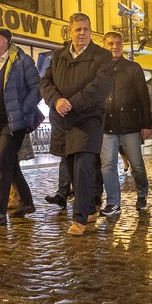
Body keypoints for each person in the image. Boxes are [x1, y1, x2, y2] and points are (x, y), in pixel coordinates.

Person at [39, 12, 112, 236]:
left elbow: (100, 86)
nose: (82, 33)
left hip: (88, 120)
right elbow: (45, 82)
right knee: (71, 168)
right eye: (78, 29)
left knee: (83, 168)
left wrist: (73, 103)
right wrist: (56, 100)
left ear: (91, 31)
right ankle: (89, 207)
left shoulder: (101, 56)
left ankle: (79, 219)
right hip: (62, 120)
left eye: (86, 29)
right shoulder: (58, 55)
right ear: (69, 31)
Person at [0, 28, 42, 227]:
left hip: (13, 124)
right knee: (11, 166)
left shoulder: (22, 61)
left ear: (3, 41)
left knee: (1, 165)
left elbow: (37, 88)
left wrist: (24, 110)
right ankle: (27, 203)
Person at [99, 31, 151, 217]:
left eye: (118, 43)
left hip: (130, 125)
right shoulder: (99, 68)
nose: (115, 47)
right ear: (104, 45)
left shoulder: (133, 68)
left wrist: (146, 124)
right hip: (106, 126)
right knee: (108, 166)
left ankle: (142, 193)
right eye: (111, 43)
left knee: (136, 164)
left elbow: (143, 98)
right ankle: (113, 203)